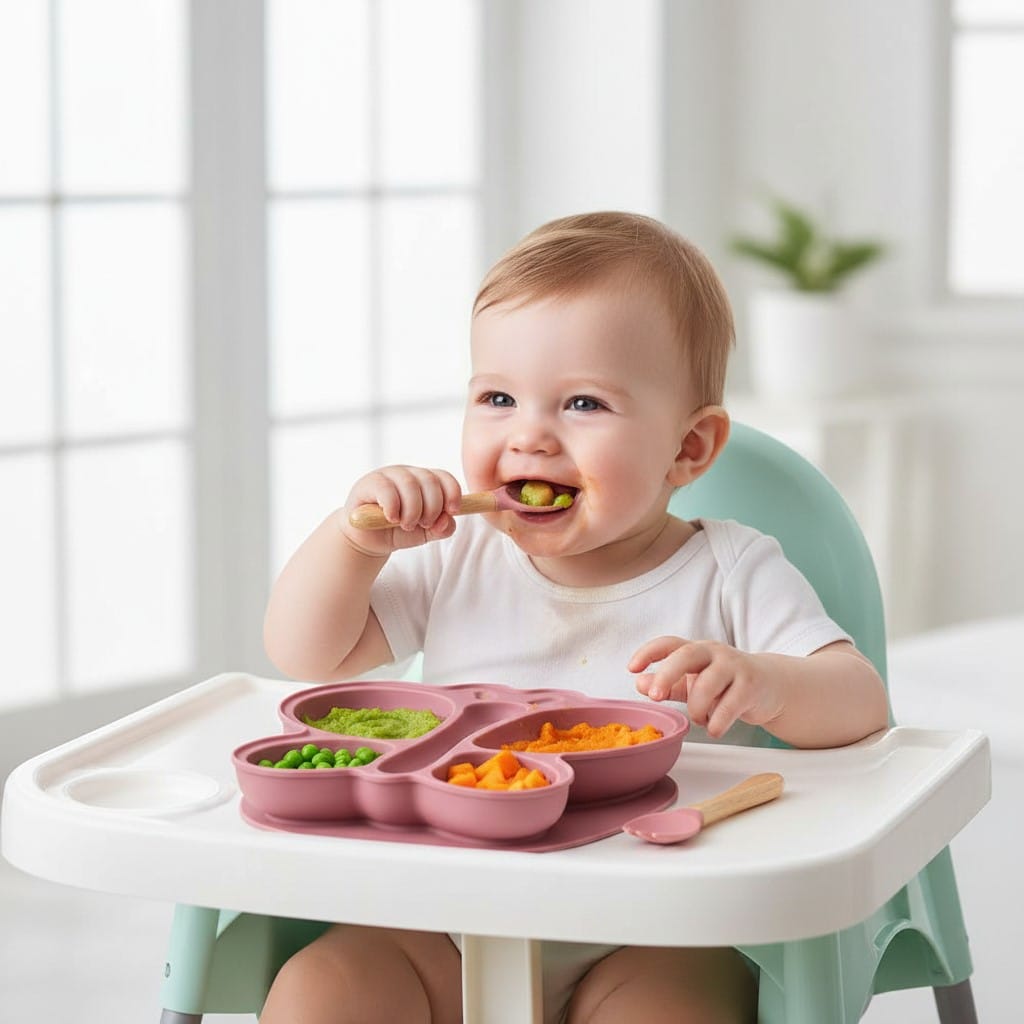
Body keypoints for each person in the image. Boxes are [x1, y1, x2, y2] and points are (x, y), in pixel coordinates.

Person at [259, 211, 889, 1024]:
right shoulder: (462, 554)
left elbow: (859, 700)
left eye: (584, 403)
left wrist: (765, 684)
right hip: (444, 922)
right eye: (496, 397)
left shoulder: (732, 569)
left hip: (654, 932)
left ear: (688, 450)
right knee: (320, 993)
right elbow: (307, 652)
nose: (528, 436)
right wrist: (354, 541)